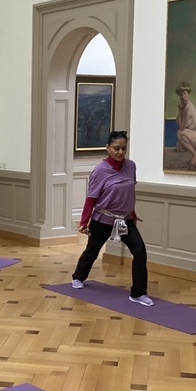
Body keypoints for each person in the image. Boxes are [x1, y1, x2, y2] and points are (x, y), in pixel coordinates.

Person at [71, 129, 153, 306]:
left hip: (125, 220)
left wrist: (132, 213)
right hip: (102, 219)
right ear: (107, 148)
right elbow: (91, 198)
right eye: (116, 148)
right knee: (92, 250)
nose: (120, 152)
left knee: (140, 251)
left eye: (124, 148)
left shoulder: (131, 166)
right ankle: (78, 277)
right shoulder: (100, 170)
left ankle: (138, 293)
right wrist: (84, 222)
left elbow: (128, 192)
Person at [174, 81, 196, 167]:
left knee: (179, 133)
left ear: (188, 93)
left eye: (185, 93)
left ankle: (195, 155)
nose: (183, 97)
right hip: (195, 135)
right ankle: (194, 148)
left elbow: (181, 128)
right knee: (179, 147)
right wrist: (180, 110)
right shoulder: (183, 106)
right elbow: (178, 122)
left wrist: (181, 110)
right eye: (181, 94)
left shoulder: (189, 108)